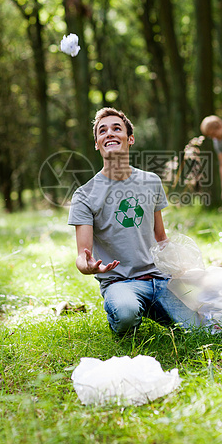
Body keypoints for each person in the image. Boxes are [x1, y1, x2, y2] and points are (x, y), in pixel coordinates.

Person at [68, 107, 195, 336]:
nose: (110, 133)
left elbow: (161, 238)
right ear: (97, 143)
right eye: (102, 131)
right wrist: (87, 266)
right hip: (120, 283)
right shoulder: (84, 195)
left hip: (160, 279)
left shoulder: (151, 181)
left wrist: (181, 267)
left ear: (130, 138)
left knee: (198, 325)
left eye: (117, 128)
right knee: (126, 314)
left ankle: (155, 306)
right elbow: (82, 254)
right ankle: (124, 311)